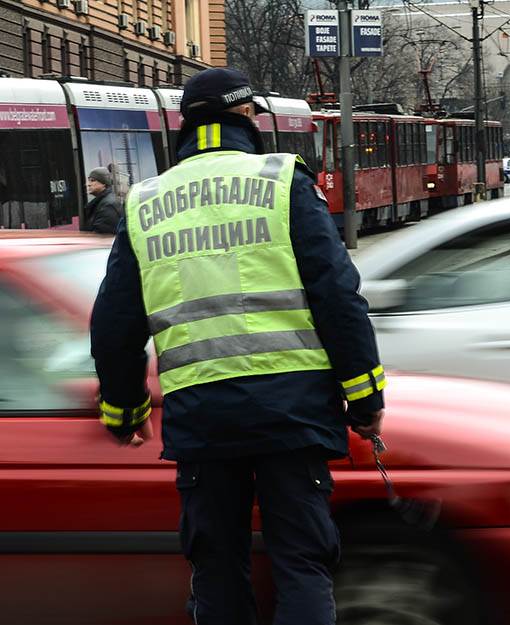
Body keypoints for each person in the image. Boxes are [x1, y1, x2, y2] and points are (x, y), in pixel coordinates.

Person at [89, 67, 385, 625]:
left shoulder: (145, 200)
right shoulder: (282, 179)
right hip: (292, 410)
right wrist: (364, 396)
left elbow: (114, 323)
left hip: (201, 415)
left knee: (217, 566)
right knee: (302, 563)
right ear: (246, 117)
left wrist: (124, 408)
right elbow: (336, 293)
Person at [82, 167, 122, 234]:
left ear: (104, 183)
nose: (88, 184)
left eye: (92, 180)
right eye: (88, 181)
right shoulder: (102, 202)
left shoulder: (108, 206)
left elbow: (102, 236)